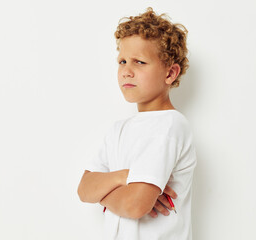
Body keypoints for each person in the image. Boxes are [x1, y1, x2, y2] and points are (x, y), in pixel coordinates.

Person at [77, 7, 197, 240]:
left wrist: (104, 192)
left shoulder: (170, 126)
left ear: (170, 73)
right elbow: (84, 189)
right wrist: (126, 177)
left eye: (139, 62)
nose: (126, 71)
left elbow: (134, 206)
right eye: (122, 61)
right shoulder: (118, 130)